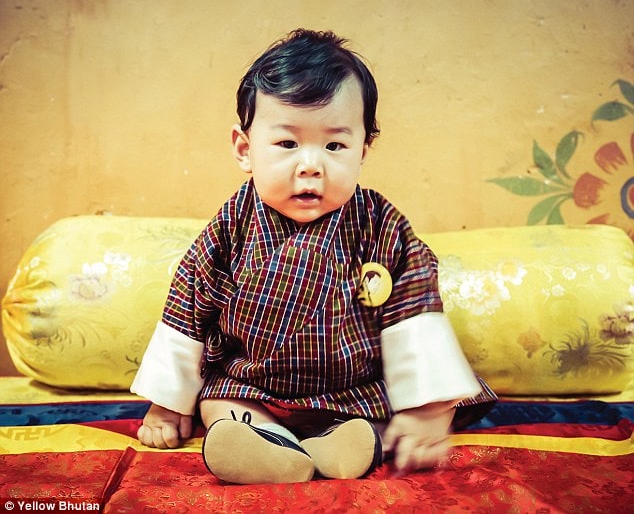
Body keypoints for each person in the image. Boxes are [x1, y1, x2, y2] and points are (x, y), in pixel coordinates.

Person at [131, 28, 496, 485]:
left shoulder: (379, 225)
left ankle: (345, 446)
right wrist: (167, 401)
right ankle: (269, 448)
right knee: (219, 405)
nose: (311, 164)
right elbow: (188, 307)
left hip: (356, 389)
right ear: (245, 150)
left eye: (334, 145)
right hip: (255, 386)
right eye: (287, 144)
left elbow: (415, 312)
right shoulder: (231, 226)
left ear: (363, 150)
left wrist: (426, 408)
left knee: (395, 421)